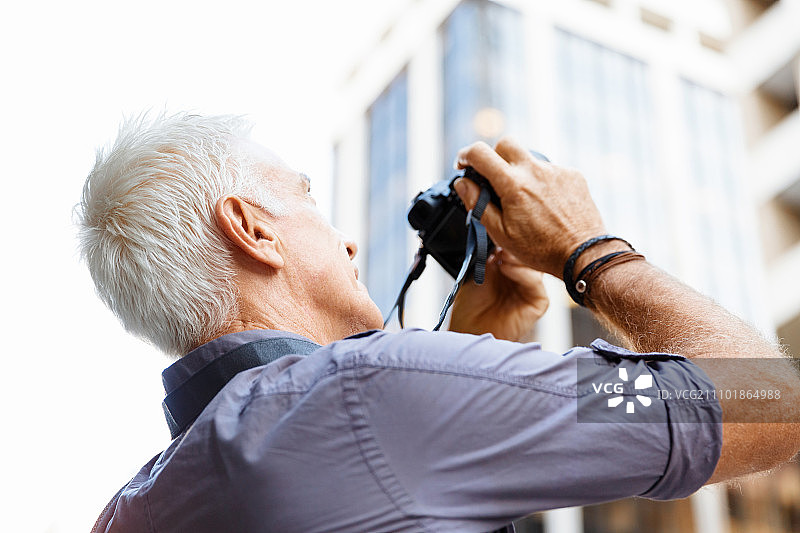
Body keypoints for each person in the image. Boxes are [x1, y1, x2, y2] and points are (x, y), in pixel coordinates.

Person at [79, 113, 800, 533]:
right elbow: (761, 398)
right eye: (309, 200)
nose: (350, 242)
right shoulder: (371, 392)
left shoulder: (127, 512)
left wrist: (464, 352)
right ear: (251, 230)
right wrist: (588, 251)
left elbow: (377, 472)